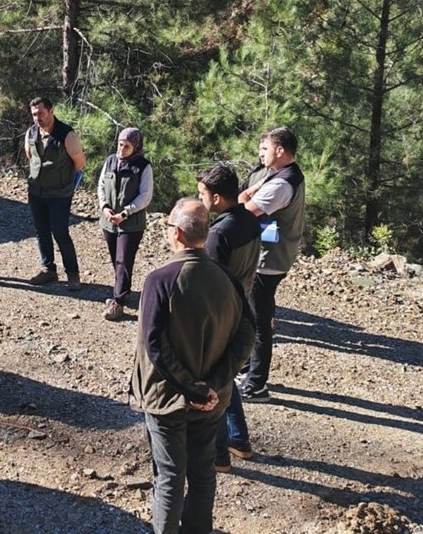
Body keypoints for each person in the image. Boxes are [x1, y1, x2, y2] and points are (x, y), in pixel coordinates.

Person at [130, 199, 254, 534]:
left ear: (178, 233)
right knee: (202, 473)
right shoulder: (228, 280)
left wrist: (192, 388)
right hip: (213, 401)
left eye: (168, 226)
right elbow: (247, 336)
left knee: (169, 477)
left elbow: (155, 345)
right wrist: (213, 384)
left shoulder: (161, 280)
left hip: (167, 399)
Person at [197, 163, 261, 470]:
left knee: (215, 381)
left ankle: (219, 454)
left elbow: (209, 281)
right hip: (243, 304)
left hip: (222, 314)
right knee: (226, 376)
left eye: (202, 194)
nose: (200, 199)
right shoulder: (249, 219)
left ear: (217, 198)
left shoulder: (218, 233)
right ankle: (239, 439)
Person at [236, 127, 305, 402]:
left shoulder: (281, 184)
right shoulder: (282, 175)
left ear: (280, 150)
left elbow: (244, 212)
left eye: (265, 149)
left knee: (258, 323)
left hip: (267, 261)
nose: (260, 154)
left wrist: (244, 197)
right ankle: (247, 369)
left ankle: (256, 385)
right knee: (251, 316)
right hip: (270, 257)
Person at [24, 96, 85, 290]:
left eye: (41, 113)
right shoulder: (31, 132)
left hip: (59, 194)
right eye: (34, 114)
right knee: (41, 231)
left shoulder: (67, 135)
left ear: (51, 111)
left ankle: (73, 273)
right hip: (36, 191)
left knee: (60, 232)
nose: (38, 118)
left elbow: (79, 163)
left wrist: (63, 181)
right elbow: (30, 156)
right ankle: (48, 269)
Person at [97, 127, 153, 321]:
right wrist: (104, 207)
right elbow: (101, 185)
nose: (122, 149)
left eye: (127, 146)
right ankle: (124, 289)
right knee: (116, 258)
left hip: (131, 223)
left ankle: (118, 302)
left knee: (123, 259)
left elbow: (145, 196)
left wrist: (125, 213)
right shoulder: (110, 161)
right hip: (109, 220)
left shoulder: (143, 167)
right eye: (120, 144)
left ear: (135, 146)